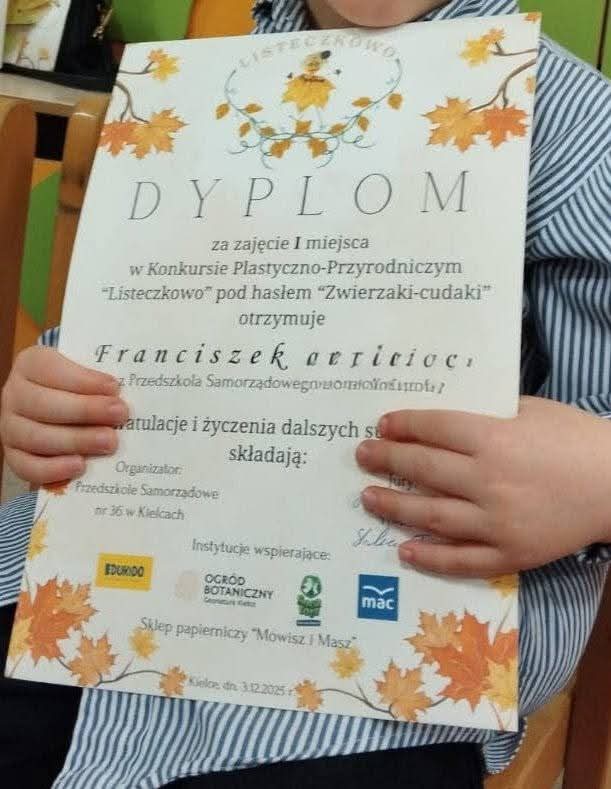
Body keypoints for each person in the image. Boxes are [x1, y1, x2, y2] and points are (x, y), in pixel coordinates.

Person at [1, 0, 610, 786]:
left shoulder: (572, 121)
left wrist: (597, 477)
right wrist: (45, 394)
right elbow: (127, 320)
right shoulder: (191, 95)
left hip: (380, 688)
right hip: (78, 602)